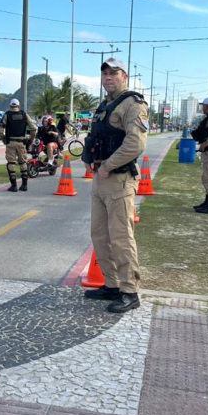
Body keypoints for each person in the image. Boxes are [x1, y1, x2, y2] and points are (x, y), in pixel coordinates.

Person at [81, 58, 148, 313]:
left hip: (119, 179)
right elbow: (95, 137)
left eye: (114, 73)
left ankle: (129, 291)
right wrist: (90, 160)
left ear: (124, 76)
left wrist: (108, 166)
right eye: (105, 73)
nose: (108, 77)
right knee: (99, 235)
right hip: (100, 178)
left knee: (121, 237)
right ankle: (111, 284)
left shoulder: (133, 104)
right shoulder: (105, 105)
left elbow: (135, 143)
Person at [0, 98, 37, 192]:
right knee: (23, 162)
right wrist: (31, 140)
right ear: (18, 106)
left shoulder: (7, 115)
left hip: (10, 142)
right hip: (22, 142)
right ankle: (24, 185)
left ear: (10, 106)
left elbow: (0, 130)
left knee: (11, 163)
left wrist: (4, 139)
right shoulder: (24, 114)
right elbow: (34, 128)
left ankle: (14, 186)